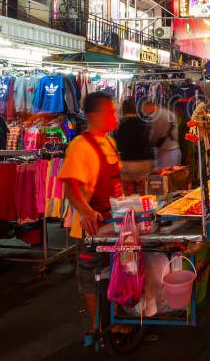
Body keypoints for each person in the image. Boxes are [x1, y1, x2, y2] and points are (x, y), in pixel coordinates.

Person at [60, 91, 123, 343]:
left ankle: (116, 321)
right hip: (92, 228)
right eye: (111, 112)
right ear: (96, 115)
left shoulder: (109, 142)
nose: (115, 116)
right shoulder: (80, 146)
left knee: (116, 274)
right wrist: (86, 211)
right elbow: (70, 187)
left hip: (115, 222)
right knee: (91, 278)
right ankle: (99, 328)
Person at [115, 97, 156, 194]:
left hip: (127, 163)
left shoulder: (121, 125)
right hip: (144, 163)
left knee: (129, 195)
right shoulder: (144, 123)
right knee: (144, 193)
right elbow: (150, 143)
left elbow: (118, 146)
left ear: (123, 108)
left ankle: (131, 208)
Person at [149, 101, 181, 170]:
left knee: (164, 177)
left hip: (165, 153)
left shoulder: (156, 116)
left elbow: (154, 136)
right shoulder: (171, 114)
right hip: (175, 150)